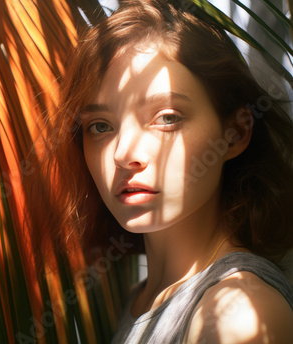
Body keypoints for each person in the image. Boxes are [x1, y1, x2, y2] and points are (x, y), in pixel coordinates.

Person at [27, 0, 293, 342]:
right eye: (100, 126)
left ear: (236, 133)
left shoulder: (235, 314)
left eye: (167, 118)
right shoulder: (142, 298)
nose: (123, 154)